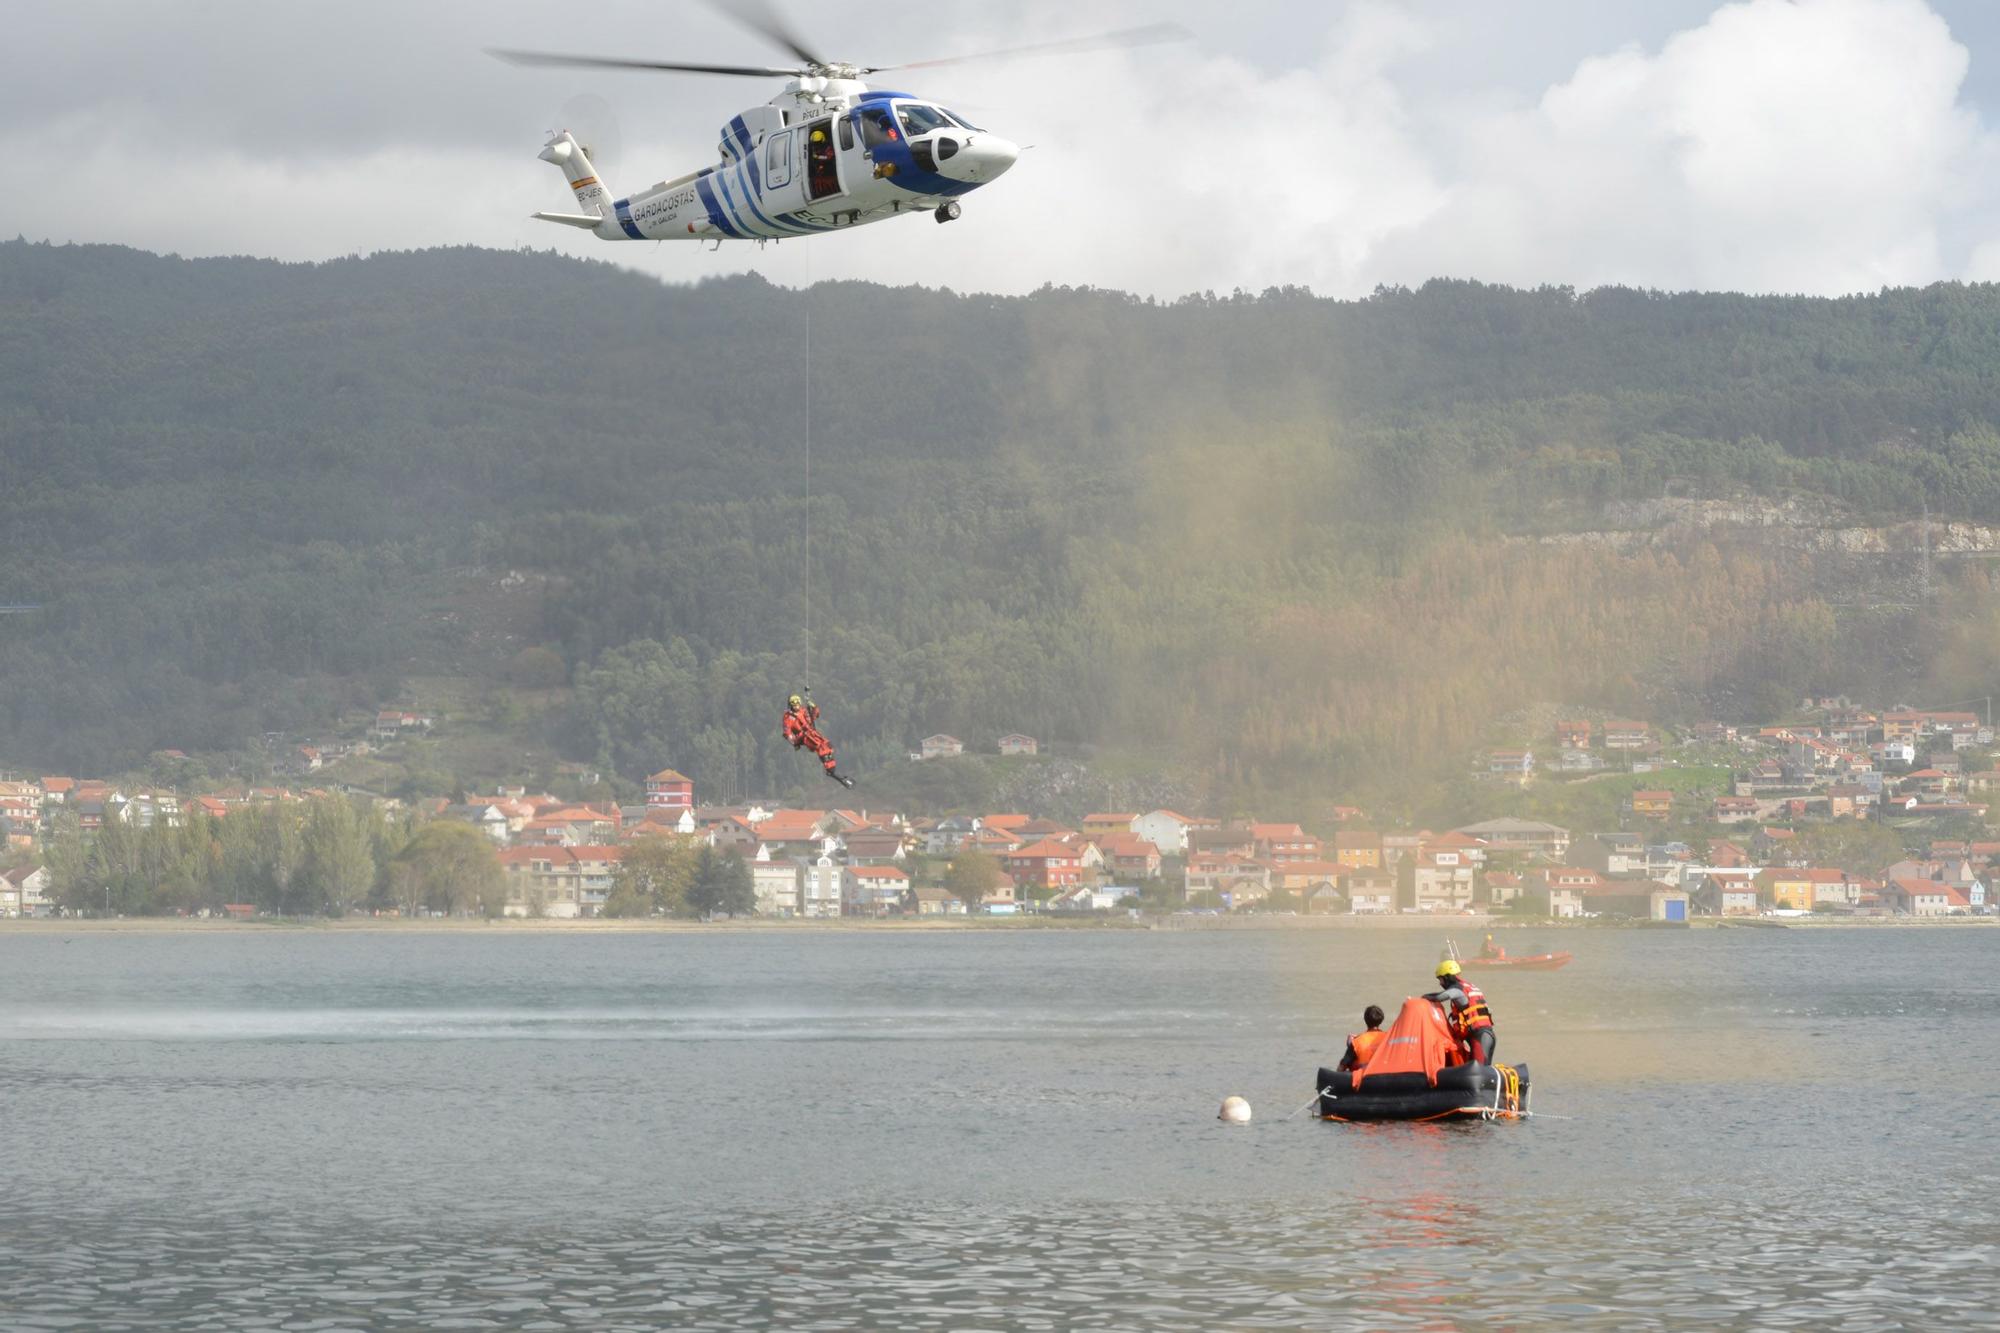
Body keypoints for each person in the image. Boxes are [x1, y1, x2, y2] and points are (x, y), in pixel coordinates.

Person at [1432, 958, 1496, 1065]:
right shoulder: (1468, 987)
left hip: (1480, 1037)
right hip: (1484, 1035)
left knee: (1478, 1070)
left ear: (1447, 977)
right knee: (1480, 1067)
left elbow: (1439, 997)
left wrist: (1423, 998)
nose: (1440, 983)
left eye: (1441, 979)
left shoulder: (1458, 990)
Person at [782, 693, 854, 788]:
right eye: (793, 705)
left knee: (827, 746)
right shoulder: (788, 717)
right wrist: (793, 742)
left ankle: (832, 770)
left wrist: (814, 707)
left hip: (814, 734)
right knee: (820, 748)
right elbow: (787, 732)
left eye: (797, 704)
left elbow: (815, 716)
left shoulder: (803, 711)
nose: (796, 706)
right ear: (791, 705)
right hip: (805, 737)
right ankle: (830, 770)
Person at [1336, 1004, 1387, 1073]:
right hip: (1386, 1076)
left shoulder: (1356, 1042)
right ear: (1381, 1020)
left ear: (1365, 1020)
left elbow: (1341, 1068)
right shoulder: (1389, 1038)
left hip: (1364, 1079)